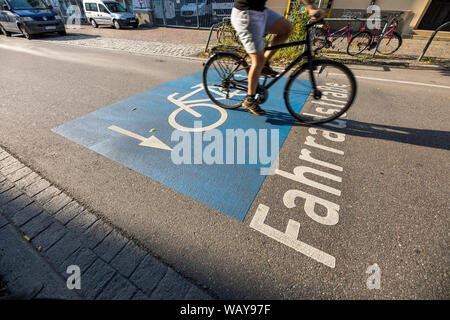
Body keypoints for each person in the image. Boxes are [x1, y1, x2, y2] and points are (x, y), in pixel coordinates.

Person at [231, 0, 323, 116]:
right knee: (257, 61)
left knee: (287, 28)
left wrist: (310, 8)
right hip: (245, 14)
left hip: (260, 11)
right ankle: (249, 100)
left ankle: (263, 64)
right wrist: (310, 8)